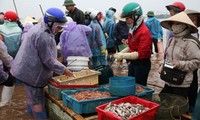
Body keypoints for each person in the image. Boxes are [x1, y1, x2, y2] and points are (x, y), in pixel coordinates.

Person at [10, 8, 75, 119]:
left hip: (24, 68)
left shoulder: (40, 27)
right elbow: (48, 60)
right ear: (50, 23)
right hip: (31, 73)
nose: (59, 30)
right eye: (58, 27)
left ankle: (30, 115)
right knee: (37, 101)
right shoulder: (43, 35)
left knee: (31, 97)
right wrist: (64, 70)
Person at [160, 12, 200, 100]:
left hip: (182, 82)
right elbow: (168, 57)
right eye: (173, 23)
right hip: (169, 79)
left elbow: (196, 62)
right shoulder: (171, 39)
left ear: (185, 25)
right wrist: (162, 65)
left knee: (178, 107)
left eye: (177, 23)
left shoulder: (190, 42)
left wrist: (179, 64)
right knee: (163, 100)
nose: (174, 25)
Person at [114, 2, 152, 86]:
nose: (126, 21)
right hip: (133, 62)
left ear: (135, 17)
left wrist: (123, 56)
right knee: (131, 85)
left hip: (142, 64)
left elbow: (141, 54)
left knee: (139, 87)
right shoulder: (133, 29)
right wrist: (121, 53)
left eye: (128, 18)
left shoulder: (144, 32)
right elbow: (130, 46)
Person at [0, 11, 22, 107]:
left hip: (4, 57)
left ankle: (5, 106)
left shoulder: (1, 28)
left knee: (5, 78)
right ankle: (5, 104)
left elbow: (3, 52)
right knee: (10, 79)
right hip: (14, 56)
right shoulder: (19, 30)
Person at [185, 9, 200, 113]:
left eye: (195, 20)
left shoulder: (194, 33)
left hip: (191, 65)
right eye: (192, 19)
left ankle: (192, 108)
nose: (194, 21)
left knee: (193, 87)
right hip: (184, 65)